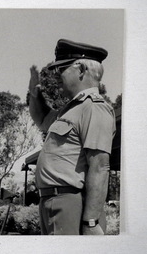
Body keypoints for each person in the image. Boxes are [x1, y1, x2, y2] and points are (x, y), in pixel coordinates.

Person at [28, 39, 116, 235]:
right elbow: (41, 118)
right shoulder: (70, 110)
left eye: (62, 69)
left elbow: (100, 166)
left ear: (81, 69)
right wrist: (35, 94)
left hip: (69, 203)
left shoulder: (94, 107)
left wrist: (91, 222)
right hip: (53, 202)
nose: (58, 75)